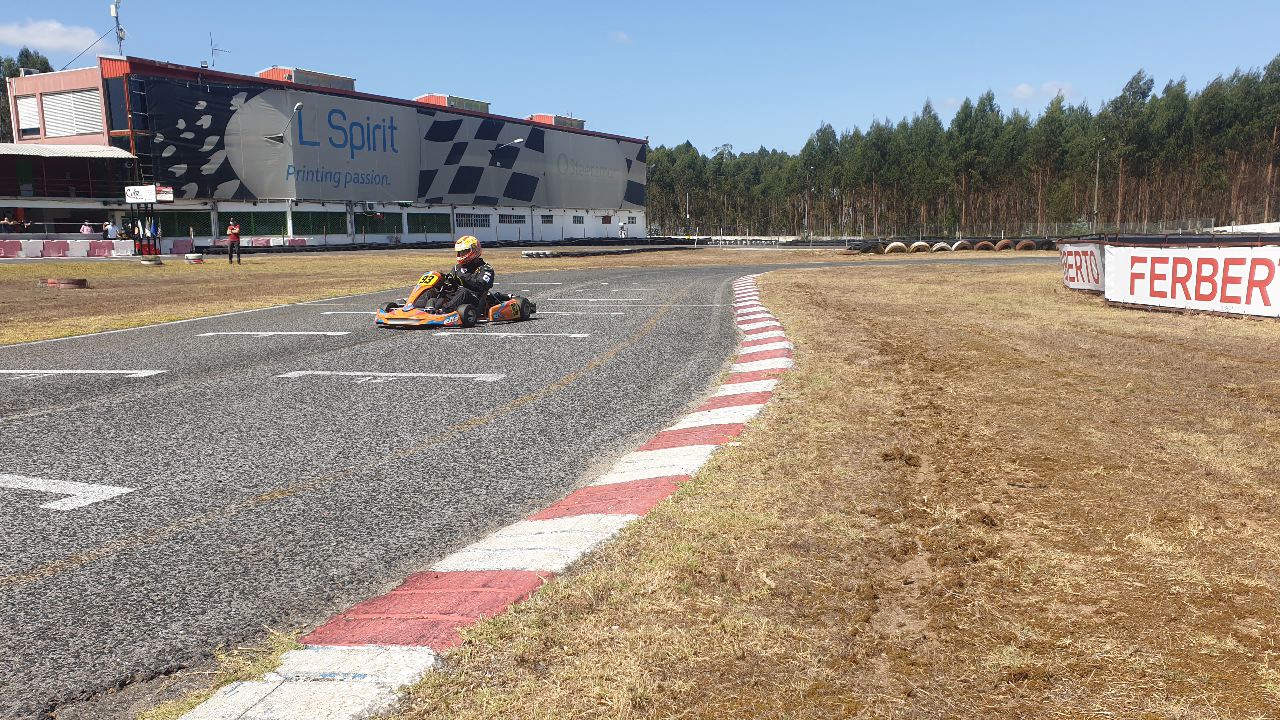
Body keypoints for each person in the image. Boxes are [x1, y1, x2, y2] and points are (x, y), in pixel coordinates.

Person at [417, 235, 496, 312]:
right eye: (460, 252)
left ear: (475, 250)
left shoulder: (486, 268)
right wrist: (442, 281)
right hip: (455, 297)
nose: (462, 254)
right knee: (433, 290)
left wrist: (463, 279)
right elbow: (450, 284)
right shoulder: (457, 268)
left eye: (465, 251)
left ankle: (444, 311)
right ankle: (412, 307)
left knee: (463, 291)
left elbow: (481, 285)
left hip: (474, 300)